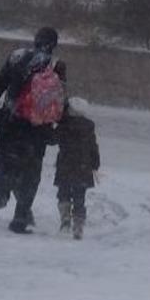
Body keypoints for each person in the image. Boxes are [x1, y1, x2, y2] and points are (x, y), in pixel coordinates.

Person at [0, 27, 60, 234]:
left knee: (4, 168)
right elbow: (59, 103)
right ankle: (21, 216)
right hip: (37, 132)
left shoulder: (17, 58)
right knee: (31, 174)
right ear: (54, 44)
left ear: (35, 40)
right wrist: (58, 131)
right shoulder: (55, 67)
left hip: (10, 125)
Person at [50, 98, 100, 240]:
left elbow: (52, 139)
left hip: (65, 164)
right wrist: (95, 164)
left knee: (63, 193)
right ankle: (78, 224)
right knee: (80, 197)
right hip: (83, 167)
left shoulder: (64, 126)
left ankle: (65, 218)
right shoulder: (89, 127)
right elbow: (93, 147)